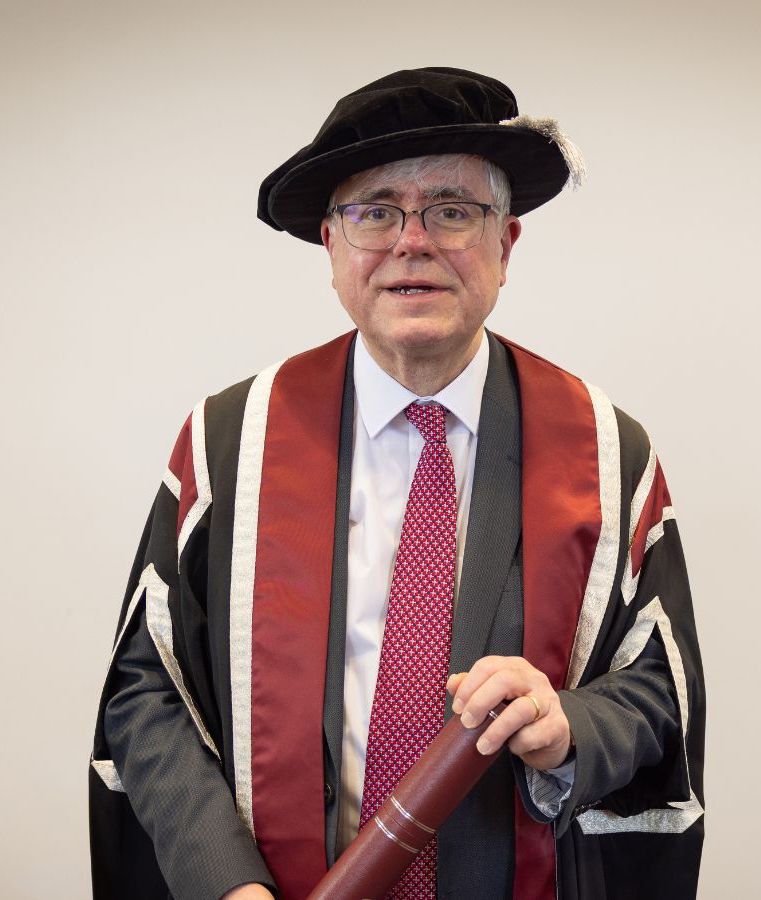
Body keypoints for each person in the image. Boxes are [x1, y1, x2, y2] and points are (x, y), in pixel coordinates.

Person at [88, 68, 705, 900]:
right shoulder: (230, 443)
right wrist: (222, 882)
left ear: (505, 246)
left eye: (453, 210)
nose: (413, 241)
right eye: (375, 212)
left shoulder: (604, 452)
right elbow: (148, 689)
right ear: (331, 247)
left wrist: (571, 726)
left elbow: (657, 686)